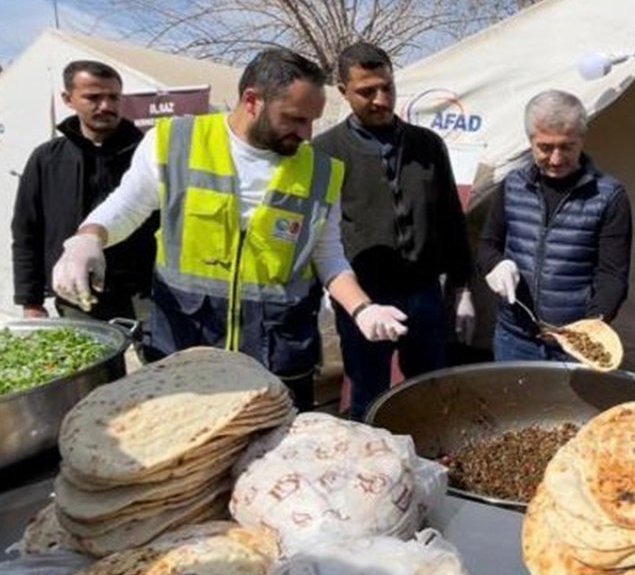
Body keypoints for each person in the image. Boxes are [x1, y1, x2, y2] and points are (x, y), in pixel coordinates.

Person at [49, 48, 408, 411]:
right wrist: (88, 238)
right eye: (295, 118)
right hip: (188, 346)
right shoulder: (174, 141)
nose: (306, 133)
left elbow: (328, 256)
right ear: (252, 100)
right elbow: (126, 206)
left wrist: (363, 309)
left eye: (312, 120)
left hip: (277, 353)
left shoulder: (322, 171)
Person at [313, 42, 474, 420]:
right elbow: (319, 233)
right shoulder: (326, 151)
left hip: (424, 294)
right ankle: (370, 466)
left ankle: (432, 460)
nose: (381, 99)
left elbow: (451, 217)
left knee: (431, 390)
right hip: (365, 297)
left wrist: (462, 288)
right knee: (368, 392)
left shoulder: (427, 145)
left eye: (387, 87)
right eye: (367, 92)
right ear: (343, 91)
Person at [477, 90, 632, 361]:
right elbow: (488, 244)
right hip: (514, 337)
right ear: (530, 141)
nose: (556, 159)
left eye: (567, 146)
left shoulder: (608, 196)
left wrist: (591, 327)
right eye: (545, 147)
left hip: (573, 342)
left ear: (581, 140)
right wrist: (495, 264)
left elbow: (613, 275)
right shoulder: (513, 186)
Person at [12, 60, 155, 321]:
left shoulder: (147, 153)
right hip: (77, 291)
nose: (106, 106)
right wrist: (30, 301)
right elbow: (27, 231)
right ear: (68, 99)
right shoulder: (47, 159)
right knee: (94, 362)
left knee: (165, 362)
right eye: (93, 97)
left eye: (113, 97)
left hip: (145, 290)